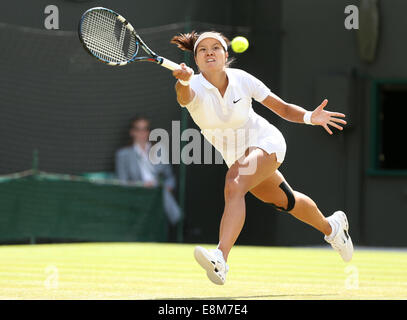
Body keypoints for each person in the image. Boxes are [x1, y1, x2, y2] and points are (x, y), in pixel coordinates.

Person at [170, 31, 353, 285]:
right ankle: (332, 228)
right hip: (236, 155)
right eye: (202, 50)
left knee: (234, 183)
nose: (209, 52)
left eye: (215, 48)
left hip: (267, 142)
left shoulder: (242, 80)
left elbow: (283, 108)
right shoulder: (194, 87)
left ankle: (220, 259)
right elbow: (184, 97)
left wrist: (311, 116)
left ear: (226, 55)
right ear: (196, 60)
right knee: (287, 201)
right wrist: (183, 82)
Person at [115, 116, 181, 226]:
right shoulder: (123, 155)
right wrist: (141, 185)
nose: (142, 133)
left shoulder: (159, 152)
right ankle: (179, 222)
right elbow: (122, 182)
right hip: (138, 193)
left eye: (145, 129)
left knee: (161, 191)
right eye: (138, 129)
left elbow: (170, 178)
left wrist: (168, 187)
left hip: (158, 192)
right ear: (132, 132)